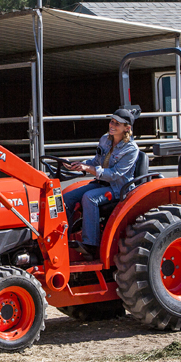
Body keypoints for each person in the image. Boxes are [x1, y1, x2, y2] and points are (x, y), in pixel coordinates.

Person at [63, 108, 139, 257]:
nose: (112, 125)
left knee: (90, 198)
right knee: (66, 198)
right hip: (101, 183)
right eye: (112, 121)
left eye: (117, 124)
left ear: (127, 128)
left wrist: (89, 168)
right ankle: (62, 240)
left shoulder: (131, 149)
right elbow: (96, 161)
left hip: (118, 188)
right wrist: (79, 165)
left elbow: (115, 174)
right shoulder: (105, 139)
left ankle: (90, 244)